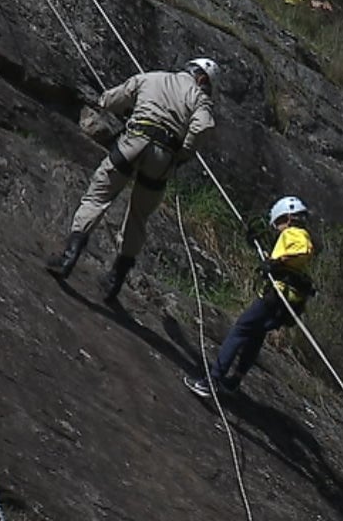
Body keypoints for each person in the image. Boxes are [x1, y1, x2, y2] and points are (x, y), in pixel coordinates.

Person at [45, 58, 219, 301]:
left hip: (133, 143)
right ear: (202, 79)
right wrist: (183, 153)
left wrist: (111, 103)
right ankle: (115, 277)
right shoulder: (199, 98)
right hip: (162, 158)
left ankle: (69, 255)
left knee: (98, 196)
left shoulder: (154, 76)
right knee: (138, 216)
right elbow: (202, 127)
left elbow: (111, 99)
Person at [187, 196, 315, 397]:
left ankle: (211, 380)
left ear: (288, 218)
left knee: (240, 330)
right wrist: (271, 259)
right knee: (256, 335)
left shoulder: (294, 233)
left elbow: (303, 249)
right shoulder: (292, 235)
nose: (277, 228)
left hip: (277, 296)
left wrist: (276, 263)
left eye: (279, 223)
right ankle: (234, 380)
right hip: (286, 301)